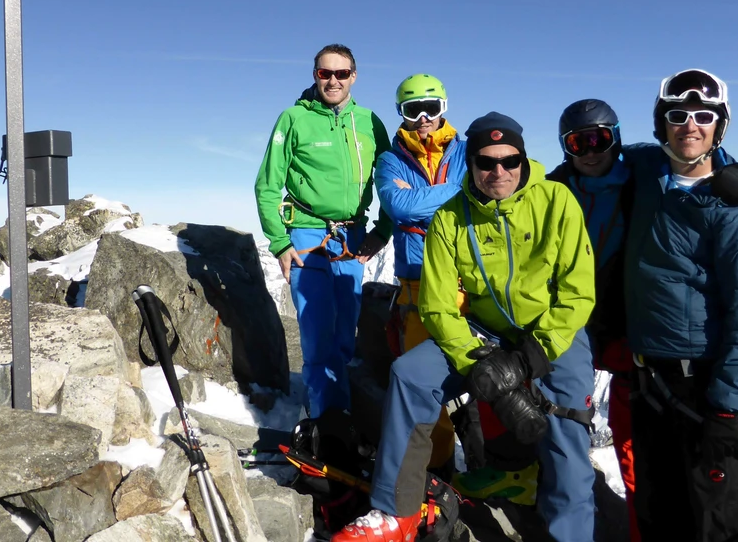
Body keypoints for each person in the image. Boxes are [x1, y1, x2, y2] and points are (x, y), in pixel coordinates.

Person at [333, 112, 597, 542]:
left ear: (523, 160)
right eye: (486, 162)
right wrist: (477, 363)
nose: (499, 171)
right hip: (483, 334)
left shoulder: (556, 201)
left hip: (553, 333)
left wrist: (528, 357)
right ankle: (395, 511)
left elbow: (578, 292)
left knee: (568, 434)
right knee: (410, 375)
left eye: (509, 161)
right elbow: (437, 306)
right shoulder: (450, 217)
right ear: (470, 164)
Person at [622, 69, 738, 542]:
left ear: (720, 125)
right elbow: (595, 159)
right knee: (658, 513)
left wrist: (728, 410)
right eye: (677, 114)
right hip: (650, 383)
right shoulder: (647, 175)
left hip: (705, 390)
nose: (690, 125)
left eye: (704, 115)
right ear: (661, 123)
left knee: (716, 522)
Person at [254, 43, 392, 419]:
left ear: (354, 76)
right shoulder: (294, 119)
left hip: (353, 237)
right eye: (324, 73)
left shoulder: (369, 122)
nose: (333, 80)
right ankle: (325, 422)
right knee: (316, 333)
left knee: (345, 330)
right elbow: (267, 185)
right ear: (315, 75)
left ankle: (342, 407)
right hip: (306, 236)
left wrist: (384, 230)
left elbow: (392, 182)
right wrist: (280, 243)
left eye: (341, 73)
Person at [546, 99, 639, 541]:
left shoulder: (644, 179)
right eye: (576, 142)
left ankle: (640, 525)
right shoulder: (552, 189)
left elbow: (697, 158)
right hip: (571, 319)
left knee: (633, 436)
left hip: (625, 321)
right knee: (564, 423)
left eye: (599, 138)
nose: (589, 150)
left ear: (616, 137)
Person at [374, 74, 467, 471]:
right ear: (402, 113)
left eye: (433, 108)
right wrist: (456, 193)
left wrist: (421, 204)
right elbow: (399, 207)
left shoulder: (468, 150)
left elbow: (480, 190)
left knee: (480, 373)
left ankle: (491, 462)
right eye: (414, 110)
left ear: (444, 108)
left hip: (467, 279)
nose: (424, 118)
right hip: (416, 280)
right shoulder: (390, 159)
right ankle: (438, 464)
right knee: (421, 384)